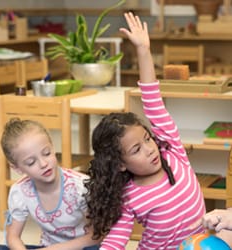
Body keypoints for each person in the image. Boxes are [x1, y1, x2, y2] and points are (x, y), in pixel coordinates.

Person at [83, 12, 206, 249]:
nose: (150, 149)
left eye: (148, 139)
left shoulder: (172, 151)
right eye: (136, 149)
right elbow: (117, 240)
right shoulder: (128, 197)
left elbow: (152, 100)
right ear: (120, 164)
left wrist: (143, 49)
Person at [0, 118, 100, 250]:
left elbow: (96, 236)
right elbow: (13, 237)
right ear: (17, 168)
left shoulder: (80, 186)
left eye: (46, 153)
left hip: (82, 247)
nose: (43, 164)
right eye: (31, 162)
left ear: (53, 148)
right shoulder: (20, 192)